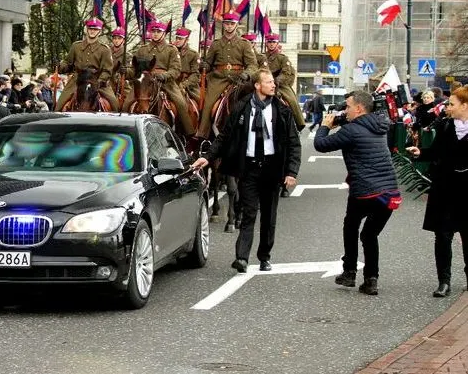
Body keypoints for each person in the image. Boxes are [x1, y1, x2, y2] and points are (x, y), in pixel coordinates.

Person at [192, 69, 301, 272]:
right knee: (248, 212)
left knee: (269, 216)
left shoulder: (282, 111)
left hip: (272, 169)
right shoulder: (242, 108)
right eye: (269, 82)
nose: (273, 85)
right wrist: (207, 158)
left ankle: (264, 256)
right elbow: (224, 137)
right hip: (249, 168)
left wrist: (291, 172)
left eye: (272, 82)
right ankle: (241, 258)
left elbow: (294, 144)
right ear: (257, 86)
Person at [314, 90, 401, 295]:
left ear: (359, 108)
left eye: (348, 106)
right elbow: (361, 130)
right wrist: (342, 122)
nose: (345, 110)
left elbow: (320, 145)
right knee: (370, 235)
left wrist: (325, 126)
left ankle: (350, 272)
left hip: (364, 190)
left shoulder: (351, 131)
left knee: (351, 227)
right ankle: (371, 279)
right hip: (389, 191)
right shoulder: (379, 124)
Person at [406, 86, 468, 297]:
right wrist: (420, 152)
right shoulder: (444, 125)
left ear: (465, 106)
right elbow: (437, 151)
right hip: (445, 186)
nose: (448, 107)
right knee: (443, 235)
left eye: (452, 104)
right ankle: (444, 281)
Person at [197, 12, 259, 139]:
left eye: (232, 24)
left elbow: (252, 65)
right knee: (208, 104)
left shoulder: (244, 44)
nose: (229, 26)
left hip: (239, 80)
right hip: (219, 79)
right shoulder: (216, 44)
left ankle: (258, 131)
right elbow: (209, 63)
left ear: (236, 25)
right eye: (227, 24)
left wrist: (246, 74)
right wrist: (204, 66)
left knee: (254, 102)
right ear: (223, 25)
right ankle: (203, 135)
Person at [130, 21, 195, 136]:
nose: (155, 34)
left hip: (166, 83)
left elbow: (175, 69)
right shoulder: (142, 50)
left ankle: (186, 134)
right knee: (126, 104)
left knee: (181, 103)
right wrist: (127, 71)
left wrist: (164, 76)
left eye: (158, 31)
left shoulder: (171, 50)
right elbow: (134, 69)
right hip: (144, 82)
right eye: (153, 31)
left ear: (164, 33)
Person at [55, 18, 118, 112]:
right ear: (86, 29)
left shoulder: (105, 49)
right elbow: (68, 63)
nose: (92, 31)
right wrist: (61, 66)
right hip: (77, 81)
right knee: (59, 105)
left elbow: (107, 70)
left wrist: (99, 81)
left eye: (95, 29)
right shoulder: (76, 46)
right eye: (90, 28)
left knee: (114, 103)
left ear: (99, 32)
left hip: (97, 81)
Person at [264, 34, 305, 131]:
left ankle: (298, 123)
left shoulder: (283, 58)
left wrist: (276, 80)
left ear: (277, 43)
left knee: (291, 100)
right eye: (269, 42)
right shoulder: (261, 57)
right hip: (264, 83)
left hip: (280, 85)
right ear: (266, 43)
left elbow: (286, 72)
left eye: (273, 42)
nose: (271, 44)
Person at [173, 27, 201, 104]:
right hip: (172, 84)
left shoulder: (193, 54)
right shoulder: (171, 52)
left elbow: (195, 75)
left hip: (188, 85)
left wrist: (184, 84)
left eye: (180, 39)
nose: (177, 40)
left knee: (202, 103)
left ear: (187, 40)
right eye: (177, 38)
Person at [109, 27, 132, 110]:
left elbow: (131, 71)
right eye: (114, 38)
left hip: (122, 82)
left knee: (128, 103)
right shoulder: (107, 52)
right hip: (108, 81)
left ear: (123, 40)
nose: (116, 40)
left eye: (119, 38)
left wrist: (126, 70)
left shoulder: (127, 55)